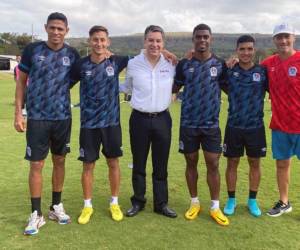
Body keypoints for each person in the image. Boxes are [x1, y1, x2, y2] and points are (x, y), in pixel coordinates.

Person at [14, 12, 80, 235]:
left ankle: (55, 207)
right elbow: (21, 83)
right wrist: (18, 114)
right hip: (37, 118)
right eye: (52, 28)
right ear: (46, 28)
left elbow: (89, 68)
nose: (56, 32)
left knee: (60, 160)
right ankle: (36, 213)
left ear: (66, 31)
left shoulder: (72, 54)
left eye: (60, 29)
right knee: (36, 164)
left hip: (62, 117)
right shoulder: (33, 50)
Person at [71, 25, 129, 224]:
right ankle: (87, 206)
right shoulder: (80, 65)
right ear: (90, 41)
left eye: (102, 40)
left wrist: (166, 52)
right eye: (95, 39)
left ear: (108, 41)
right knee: (88, 165)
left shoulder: (117, 61)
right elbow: (65, 83)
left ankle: (114, 203)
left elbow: (144, 57)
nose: (99, 43)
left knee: (113, 162)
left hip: (111, 123)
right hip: (88, 124)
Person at [173, 23, 229, 226]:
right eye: (198, 37)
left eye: (205, 36)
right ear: (193, 40)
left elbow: (230, 89)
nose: (202, 40)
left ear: (211, 38)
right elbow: (173, 87)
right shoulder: (184, 64)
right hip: (188, 123)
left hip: (211, 125)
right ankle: (194, 202)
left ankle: (215, 207)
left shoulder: (220, 64)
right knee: (191, 162)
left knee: (213, 163)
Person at [122, 25, 177, 218]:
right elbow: (127, 87)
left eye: (158, 41)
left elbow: (182, 78)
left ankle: (161, 204)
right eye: (151, 40)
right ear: (144, 41)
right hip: (139, 119)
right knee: (139, 163)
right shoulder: (134, 63)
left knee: (160, 164)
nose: (154, 44)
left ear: (163, 43)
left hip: (162, 119)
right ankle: (138, 201)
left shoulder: (171, 63)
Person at [222, 35, 268, 217]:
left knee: (254, 163)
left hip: (255, 127)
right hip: (234, 126)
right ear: (237, 50)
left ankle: (252, 200)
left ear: (254, 50)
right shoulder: (229, 72)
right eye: (242, 49)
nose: (246, 52)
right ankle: (231, 199)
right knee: (232, 162)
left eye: (249, 49)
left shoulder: (263, 72)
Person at [261, 23, 300, 217]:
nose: (283, 40)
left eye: (287, 36)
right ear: (274, 40)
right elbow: (249, 69)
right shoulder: (268, 64)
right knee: (282, 165)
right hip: (280, 126)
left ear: (293, 37)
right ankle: (284, 202)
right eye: (279, 37)